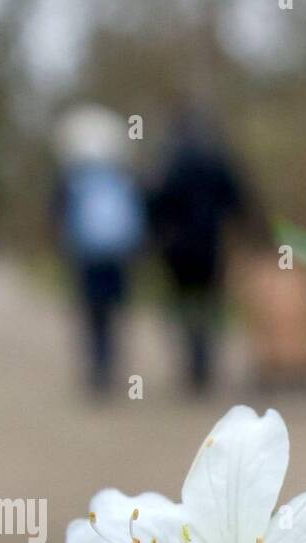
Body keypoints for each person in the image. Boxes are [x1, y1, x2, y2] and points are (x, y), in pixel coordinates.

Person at [147, 111, 255, 394]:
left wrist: (154, 238)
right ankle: (204, 360)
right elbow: (238, 200)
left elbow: (155, 202)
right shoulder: (216, 159)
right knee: (209, 304)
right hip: (210, 246)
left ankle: (192, 361)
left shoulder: (168, 161)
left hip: (177, 250)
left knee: (183, 304)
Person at [53, 105, 145, 395]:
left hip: (86, 258)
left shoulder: (73, 179)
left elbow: (59, 217)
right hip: (116, 258)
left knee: (92, 314)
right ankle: (109, 365)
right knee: (113, 313)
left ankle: (98, 369)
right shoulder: (121, 177)